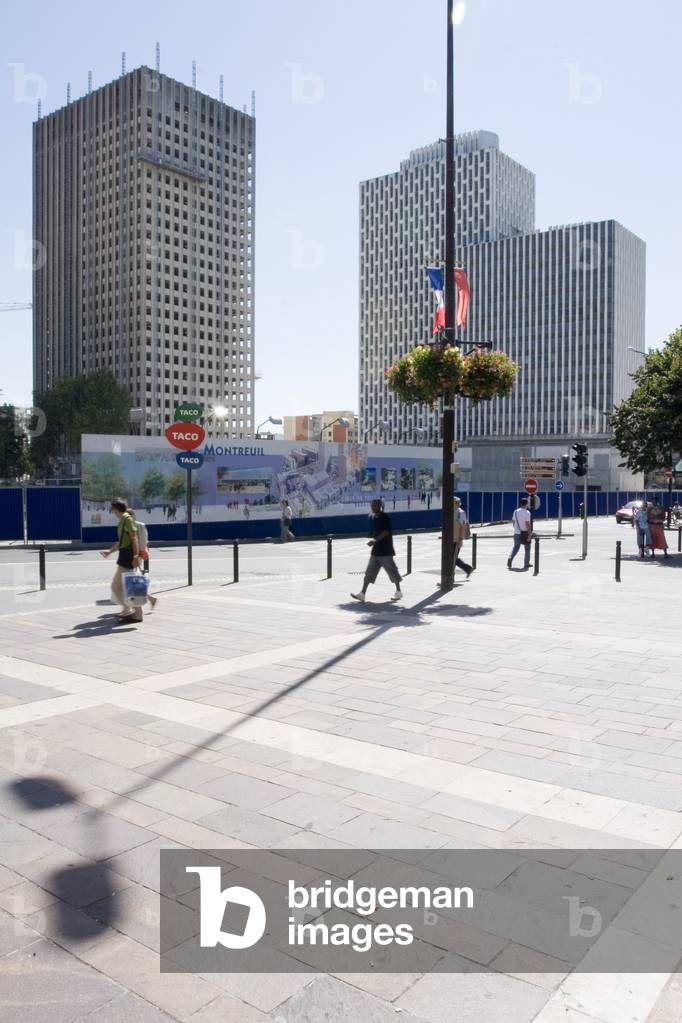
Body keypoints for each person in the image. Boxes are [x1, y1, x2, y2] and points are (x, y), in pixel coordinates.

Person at [100, 499, 144, 622]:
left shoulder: (127, 520)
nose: (112, 511)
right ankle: (136, 613)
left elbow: (134, 538)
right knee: (130, 585)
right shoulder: (123, 521)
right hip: (125, 555)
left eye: (113, 509)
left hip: (128, 556)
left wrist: (135, 556)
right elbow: (122, 541)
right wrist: (110, 551)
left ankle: (129, 610)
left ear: (117, 509)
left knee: (116, 586)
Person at [351, 499, 403, 602]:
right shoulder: (375, 518)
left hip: (385, 551)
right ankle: (362, 593)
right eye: (372, 506)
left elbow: (386, 532)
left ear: (380, 506)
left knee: (392, 571)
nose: (373, 508)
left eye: (375, 506)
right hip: (376, 551)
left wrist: (375, 540)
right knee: (369, 572)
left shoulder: (385, 517)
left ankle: (398, 592)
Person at [507, 497, 532, 570]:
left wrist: (516, 529)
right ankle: (526, 564)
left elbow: (513, 522)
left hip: (517, 533)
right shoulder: (527, 513)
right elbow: (527, 524)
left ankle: (510, 558)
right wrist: (530, 534)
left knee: (516, 547)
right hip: (525, 533)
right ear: (526, 504)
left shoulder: (515, 511)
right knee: (527, 548)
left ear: (520, 504)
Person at [453, 497, 474, 578]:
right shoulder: (453, 512)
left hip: (456, 539)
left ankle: (467, 569)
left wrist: (461, 540)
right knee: (452, 558)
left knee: (453, 558)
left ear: (455, 503)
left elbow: (463, 526)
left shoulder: (460, 513)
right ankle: (468, 569)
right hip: (451, 538)